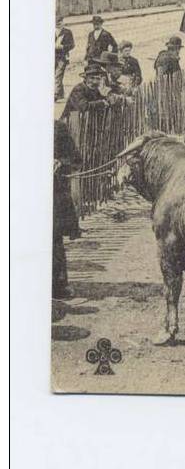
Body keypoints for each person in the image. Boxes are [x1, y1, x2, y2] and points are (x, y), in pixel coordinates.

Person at [53, 120, 82, 298]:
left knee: (53, 236)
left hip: (53, 193)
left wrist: (60, 163)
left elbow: (76, 160)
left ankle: (57, 285)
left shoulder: (58, 128)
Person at [55, 15, 75, 101]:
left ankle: (55, 94)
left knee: (58, 75)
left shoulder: (67, 32)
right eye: (56, 22)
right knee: (56, 75)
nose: (58, 23)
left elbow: (72, 45)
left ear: (63, 22)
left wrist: (63, 47)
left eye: (60, 21)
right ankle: (60, 93)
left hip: (62, 56)